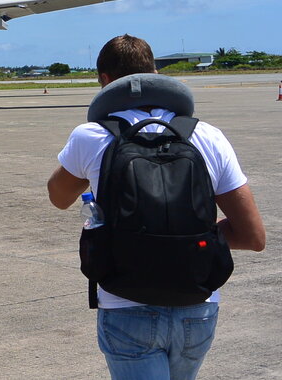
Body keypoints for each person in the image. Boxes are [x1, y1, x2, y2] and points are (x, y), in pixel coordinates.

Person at [47, 34, 265, 379]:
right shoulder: (207, 135)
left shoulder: (90, 136)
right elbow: (253, 236)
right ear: (154, 73)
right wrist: (189, 238)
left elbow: (58, 198)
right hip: (196, 305)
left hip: (125, 304)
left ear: (103, 80)